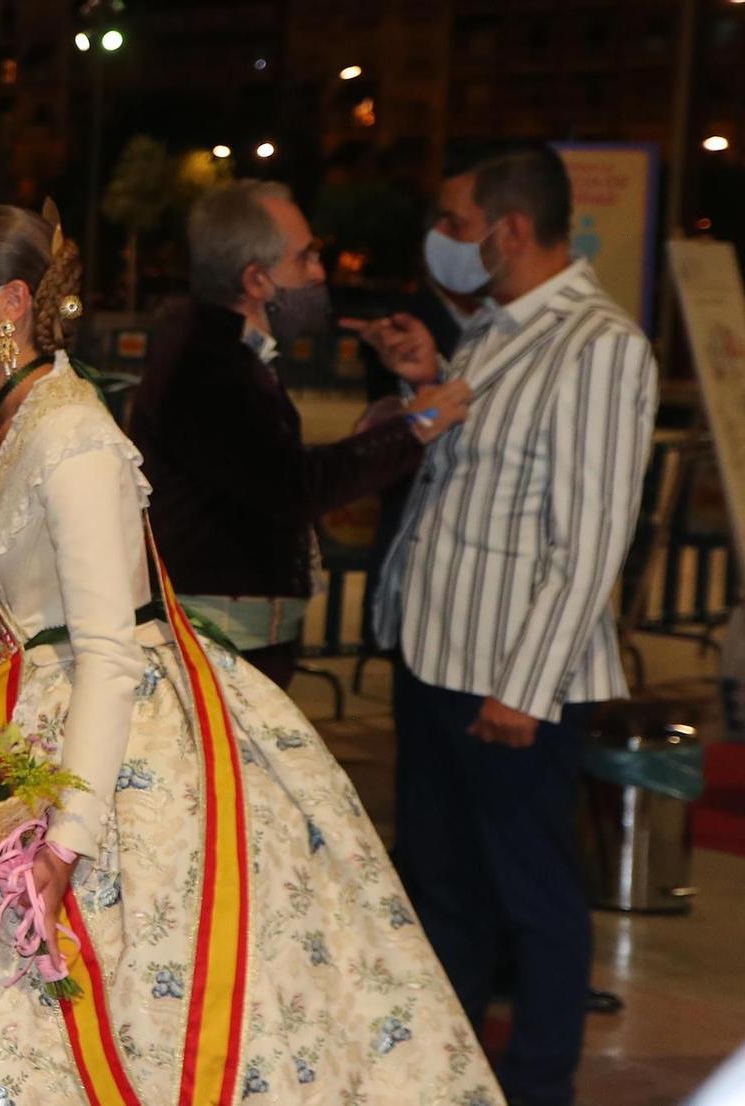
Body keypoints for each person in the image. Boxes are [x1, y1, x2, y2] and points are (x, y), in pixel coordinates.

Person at [0, 206, 497, 1105]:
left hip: (102, 727)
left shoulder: (75, 436)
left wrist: (67, 843)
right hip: (5, 700)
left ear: (13, 302)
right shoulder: (3, 423)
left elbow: (109, 649)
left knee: (115, 997)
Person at [349, 141, 660, 1106]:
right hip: (437, 652)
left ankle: (536, 1087)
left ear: (510, 230)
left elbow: (592, 536)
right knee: (444, 889)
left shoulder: (598, 344)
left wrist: (525, 689)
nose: (441, 241)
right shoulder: (495, 331)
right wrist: (418, 384)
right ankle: (450, 1078)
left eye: (454, 222)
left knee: (532, 898)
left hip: (511, 677)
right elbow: (468, 482)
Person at [129, 179, 471, 688]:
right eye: (305, 259)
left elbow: (260, 467)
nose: (319, 273)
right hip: (220, 647)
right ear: (257, 281)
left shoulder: (223, 350)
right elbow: (291, 487)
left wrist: (398, 413)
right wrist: (415, 426)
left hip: (232, 638)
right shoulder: (208, 363)